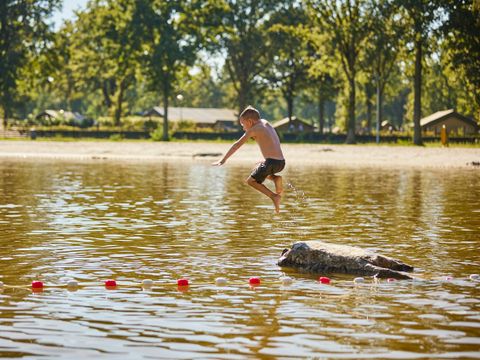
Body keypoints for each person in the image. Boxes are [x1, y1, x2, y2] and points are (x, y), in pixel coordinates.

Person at [212, 106, 285, 213]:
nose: (243, 128)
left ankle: (274, 196)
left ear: (250, 121)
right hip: (281, 162)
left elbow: (236, 145)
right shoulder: (265, 123)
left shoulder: (254, 129)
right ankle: (275, 179)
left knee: (251, 181)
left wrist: (223, 160)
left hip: (271, 163)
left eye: (243, 124)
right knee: (257, 167)